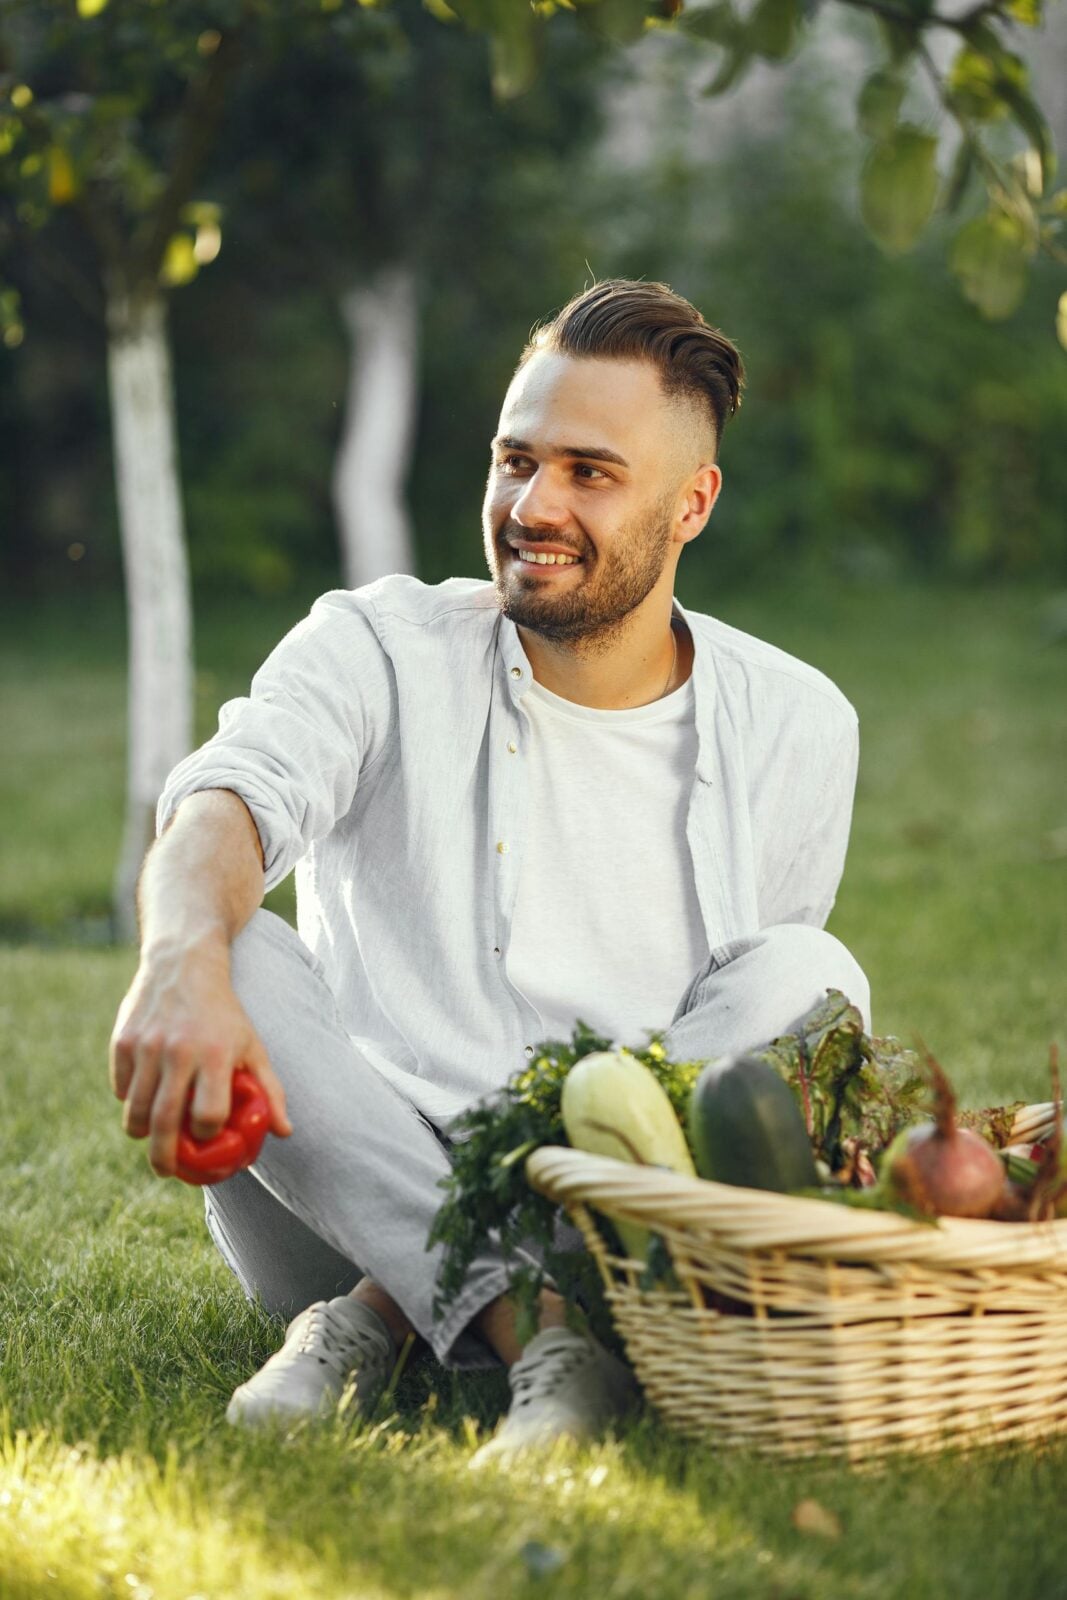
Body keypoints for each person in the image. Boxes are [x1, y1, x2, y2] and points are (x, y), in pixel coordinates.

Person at [108, 278, 870, 1463]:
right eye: (515, 460)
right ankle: (542, 1336)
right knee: (230, 938)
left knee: (812, 974)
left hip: (604, 1207)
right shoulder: (375, 644)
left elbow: (729, 1080)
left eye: (588, 472)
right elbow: (223, 797)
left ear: (691, 504)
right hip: (345, 1189)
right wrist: (174, 959)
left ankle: (386, 1320)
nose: (532, 504)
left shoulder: (797, 726)